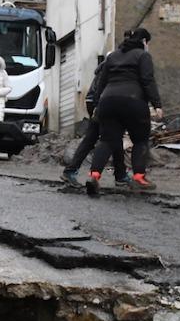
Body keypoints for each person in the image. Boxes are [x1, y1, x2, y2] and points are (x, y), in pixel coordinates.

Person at [85, 27, 162, 197]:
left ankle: (94, 176)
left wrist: (97, 104)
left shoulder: (112, 56)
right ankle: (139, 178)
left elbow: (101, 81)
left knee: (106, 141)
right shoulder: (143, 56)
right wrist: (157, 104)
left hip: (108, 102)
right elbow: (147, 80)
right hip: (133, 101)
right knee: (140, 140)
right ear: (144, 42)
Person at [62, 53, 128, 187]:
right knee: (111, 138)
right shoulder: (113, 68)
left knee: (95, 138)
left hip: (93, 102)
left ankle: (71, 170)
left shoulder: (104, 67)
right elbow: (105, 88)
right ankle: (118, 175)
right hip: (101, 104)